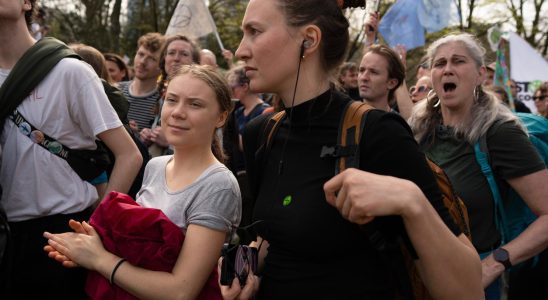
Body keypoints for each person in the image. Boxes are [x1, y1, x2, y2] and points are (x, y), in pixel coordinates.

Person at [221, 0, 483, 299]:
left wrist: (412, 202)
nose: (241, 50)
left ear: (308, 39)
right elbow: (273, 236)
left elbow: (468, 291)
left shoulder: (378, 133)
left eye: (254, 31)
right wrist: (246, 270)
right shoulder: (261, 134)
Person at [44, 65, 242, 299]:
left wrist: (98, 258)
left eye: (195, 104)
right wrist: (91, 243)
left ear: (221, 117)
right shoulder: (156, 166)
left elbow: (181, 291)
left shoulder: (218, 184)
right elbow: (139, 248)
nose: (177, 112)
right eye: (172, 100)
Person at [0, 1, 142, 298]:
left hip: (61, 233)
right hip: (6, 234)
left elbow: (129, 155)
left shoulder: (69, 71)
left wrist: (95, 230)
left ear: (27, 2)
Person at [408, 33, 548, 300]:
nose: (447, 69)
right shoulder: (417, 132)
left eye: (458, 61)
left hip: (475, 285)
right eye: (439, 63)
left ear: (481, 74)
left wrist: (493, 265)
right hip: (421, 280)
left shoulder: (499, 133)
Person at [225, 65, 270, 244]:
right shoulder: (237, 112)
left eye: (232, 88)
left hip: (253, 179)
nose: (231, 92)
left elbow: (257, 148)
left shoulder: (264, 112)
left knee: (252, 227)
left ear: (244, 87)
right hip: (237, 176)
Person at [139, 34, 201, 157]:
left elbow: (209, 144)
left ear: (194, 62)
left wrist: (170, 143)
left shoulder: (201, 95)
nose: (176, 58)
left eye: (184, 54)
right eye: (171, 53)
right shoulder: (162, 92)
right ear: (164, 59)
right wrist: (147, 135)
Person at [118, 32, 165, 134]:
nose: (143, 61)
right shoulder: (117, 90)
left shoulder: (163, 101)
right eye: (141, 54)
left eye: (152, 58)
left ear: (162, 66)